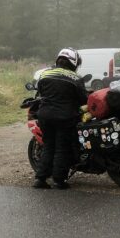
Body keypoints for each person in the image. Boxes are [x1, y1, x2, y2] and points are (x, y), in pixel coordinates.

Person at [33, 48, 88, 189]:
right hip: (65, 117)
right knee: (62, 148)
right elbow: (84, 99)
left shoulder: (45, 74)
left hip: (45, 116)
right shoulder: (75, 78)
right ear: (74, 63)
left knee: (48, 146)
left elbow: (40, 92)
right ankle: (59, 180)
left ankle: (40, 179)